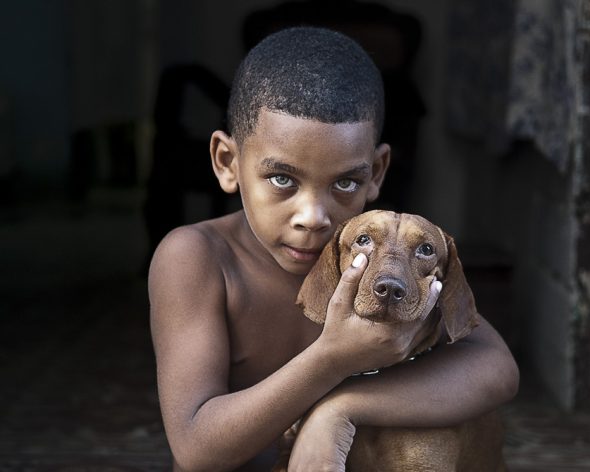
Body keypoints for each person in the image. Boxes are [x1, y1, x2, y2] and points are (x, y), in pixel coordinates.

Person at [148, 27, 519, 472]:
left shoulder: (383, 265)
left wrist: (336, 411)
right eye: (282, 179)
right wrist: (332, 359)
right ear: (228, 163)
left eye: (345, 183)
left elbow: (497, 367)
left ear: (376, 172)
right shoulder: (198, 259)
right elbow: (196, 447)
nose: (314, 216)